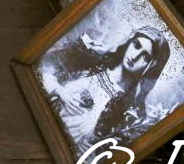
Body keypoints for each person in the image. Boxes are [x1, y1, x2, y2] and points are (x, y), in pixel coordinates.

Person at [39, 25, 171, 154]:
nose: (135, 57)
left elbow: (110, 152)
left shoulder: (131, 111)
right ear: (130, 41)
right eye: (136, 45)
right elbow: (42, 67)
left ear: (152, 65)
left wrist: (94, 146)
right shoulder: (93, 57)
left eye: (145, 57)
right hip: (41, 110)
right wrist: (59, 91)